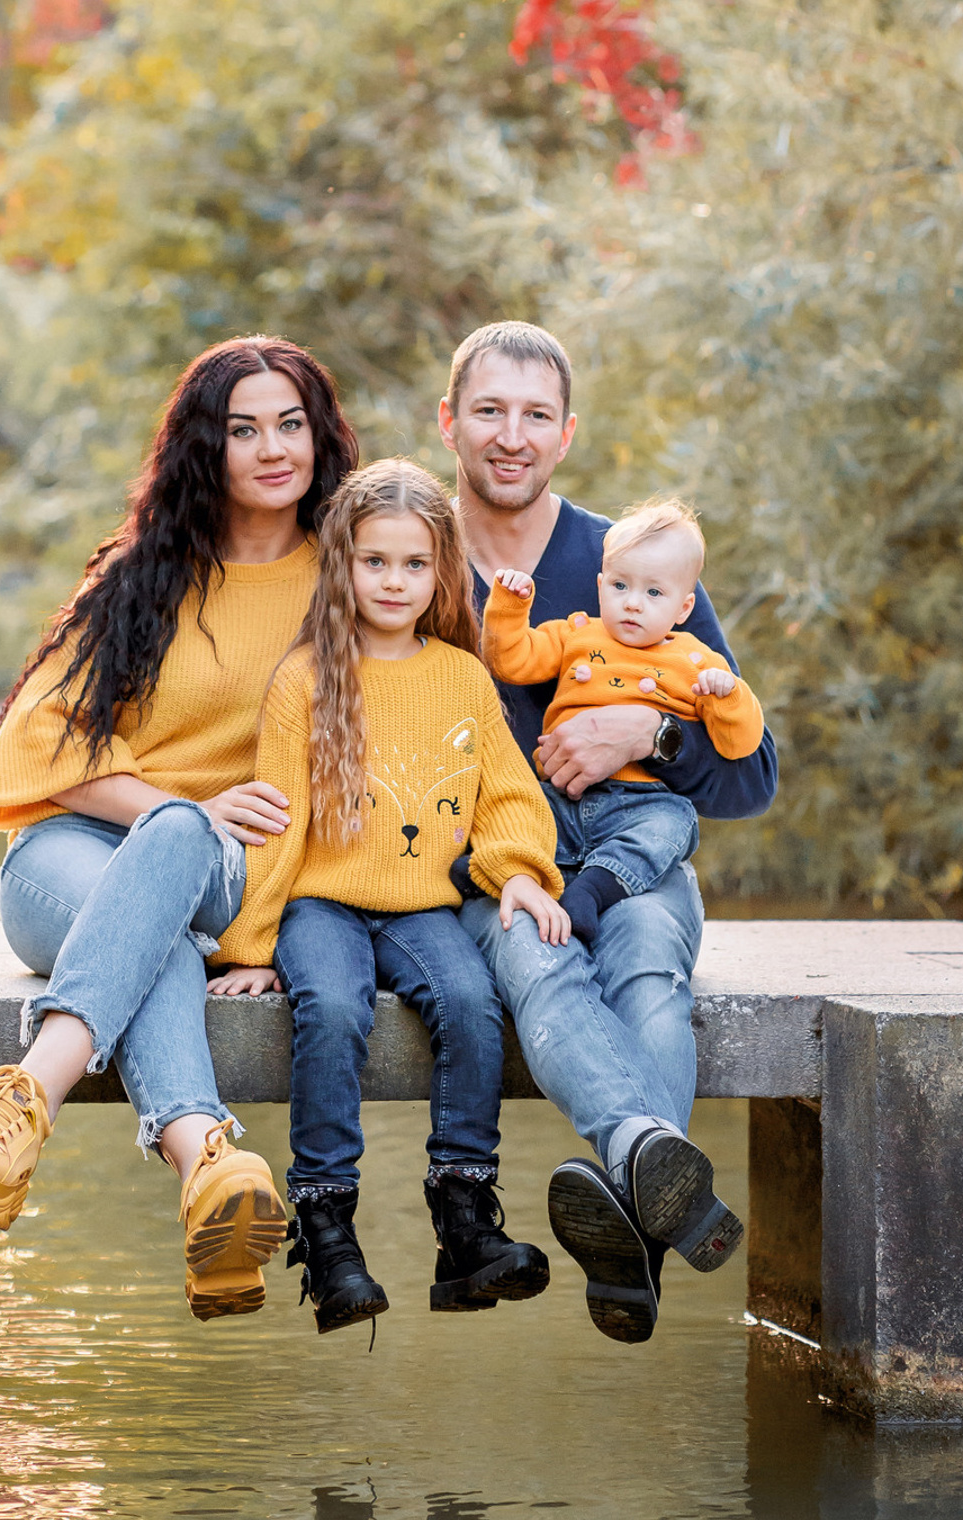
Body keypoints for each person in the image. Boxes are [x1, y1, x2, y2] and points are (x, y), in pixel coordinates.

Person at [0, 335, 357, 1323]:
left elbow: (378, 771)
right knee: (161, 879)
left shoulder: (353, 580)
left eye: (291, 424)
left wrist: (281, 932)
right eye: (243, 429)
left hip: (242, 874)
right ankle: (208, 1163)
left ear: (322, 438)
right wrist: (180, 814)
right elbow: (32, 757)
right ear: (208, 446)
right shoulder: (143, 574)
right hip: (66, 873)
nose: (272, 447)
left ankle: (24, 1105)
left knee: (167, 886)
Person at [440, 320, 778, 1345]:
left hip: (635, 849)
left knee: (643, 954)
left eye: (535, 415)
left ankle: (633, 1205)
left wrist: (655, 731)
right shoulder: (406, 557)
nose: (512, 435)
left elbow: (749, 776)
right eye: (489, 410)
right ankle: (647, 1165)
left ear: (567, 433)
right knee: (537, 954)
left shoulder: (633, 564)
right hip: (499, 864)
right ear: (448, 422)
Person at [209, 459, 560, 1335]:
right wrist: (251, 949)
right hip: (320, 903)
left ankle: (466, 1223)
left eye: (414, 565)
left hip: (421, 906)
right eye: (375, 562)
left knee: (474, 1001)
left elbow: (508, 794)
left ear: (441, 571)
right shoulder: (305, 681)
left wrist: (517, 869)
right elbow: (277, 825)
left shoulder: (461, 678)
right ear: (343, 567)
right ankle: (327, 1233)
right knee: (330, 1003)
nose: (395, 582)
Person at [483, 496, 766, 946]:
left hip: (638, 803)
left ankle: (593, 891)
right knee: (522, 812)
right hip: (562, 792)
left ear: (683, 607)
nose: (633, 604)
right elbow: (511, 660)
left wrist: (729, 696)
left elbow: (742, 746)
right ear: (600, 585)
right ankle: (489, 866)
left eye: (653, 593)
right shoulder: (575, 633)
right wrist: (511, 608)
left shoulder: (695, 660)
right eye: (620, 586)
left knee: (673, 822)